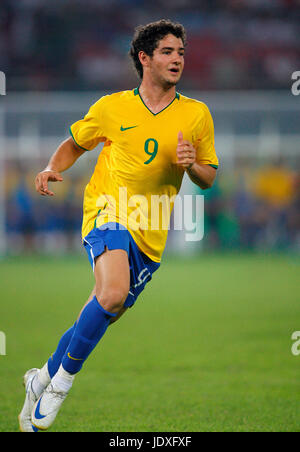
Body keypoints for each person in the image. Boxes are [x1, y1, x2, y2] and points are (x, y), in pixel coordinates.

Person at [18, 19, 219, 432]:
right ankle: (59, 386)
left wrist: (191, 165)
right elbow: (75, 142)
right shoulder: (112, 107)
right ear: (144, 58)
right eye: (167, 51)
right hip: (108, 209)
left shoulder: (197, 114)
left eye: (180, 51)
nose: (177, 58)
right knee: (111, 293)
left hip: (151, 228)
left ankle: (40, 378)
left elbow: (208, 176)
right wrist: (51, 167)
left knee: (103, 309)